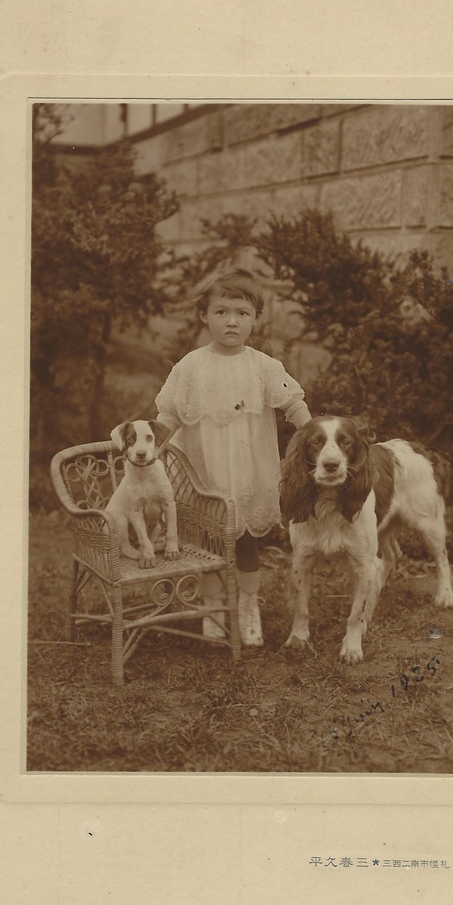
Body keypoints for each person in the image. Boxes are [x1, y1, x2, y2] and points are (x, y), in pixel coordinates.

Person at [155, 267, 312, 646]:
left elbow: (294, 404)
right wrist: (147, 447)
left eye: (242, 313)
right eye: (222, 311)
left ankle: (246, 606)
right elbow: (168, 416)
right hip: (203, 475)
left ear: (256, 319)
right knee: (208, 545)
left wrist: (314, 437)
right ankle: (212, 608)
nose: (231, 321)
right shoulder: (190, 367)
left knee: (245, 543)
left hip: (247, 475)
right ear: (203, 315)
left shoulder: (263, 367)